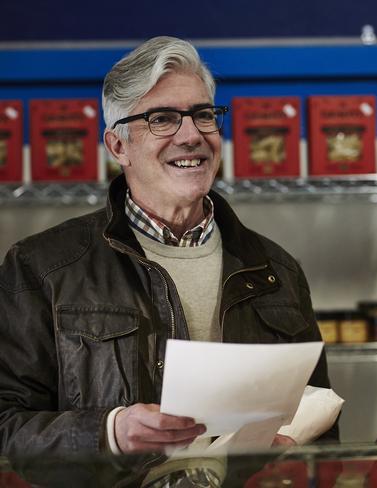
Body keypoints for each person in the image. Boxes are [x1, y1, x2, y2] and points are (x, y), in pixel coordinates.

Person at [0, 36, 337, 457]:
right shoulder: (41, 268)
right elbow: (6, 425)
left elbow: (322, 425)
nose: (192, 135)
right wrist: (109, 433)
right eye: (162, 119)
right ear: (118, 146)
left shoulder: (277, 270)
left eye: (203, 115)